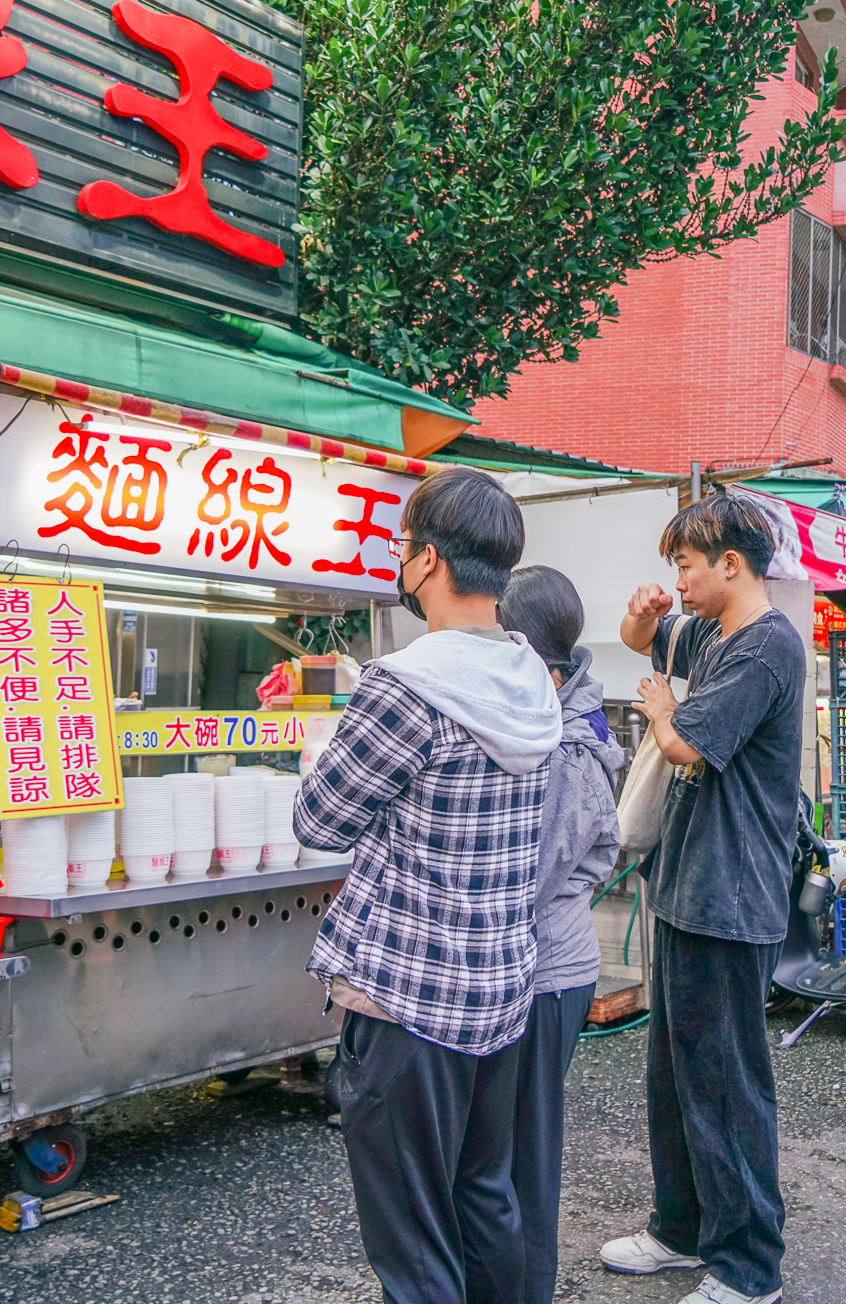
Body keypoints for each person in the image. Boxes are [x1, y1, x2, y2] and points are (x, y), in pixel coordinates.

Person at [296, 467, 562, 1304]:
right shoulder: (529, 676)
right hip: (499, 992)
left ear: (428, 559)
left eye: (405, 546)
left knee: (413, 1246)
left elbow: (319, 821)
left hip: (408, 1003)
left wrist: (317, 755)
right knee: (485, 1200)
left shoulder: (405, 686)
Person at [603, 491, 806, 1304]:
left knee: (726, 1082)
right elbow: (638, 638)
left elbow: (685, 741)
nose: (676, 582)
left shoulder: (765, 648)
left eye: (684, 567)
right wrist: (639, 614)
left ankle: (750, 1267)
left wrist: (659, 707)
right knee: (677, 1074)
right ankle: (680, 1229)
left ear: (730, 564)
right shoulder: (714, 631)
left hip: (731, 894)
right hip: (688, 888)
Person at [497, 565, 627, 1304]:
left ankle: (528, 1289)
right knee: (505, 1145)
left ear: (537, 661)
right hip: (530, 965)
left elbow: (533, 873)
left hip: (548, 970)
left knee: (529, 1149)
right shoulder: (549, 721)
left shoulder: (571, 751)